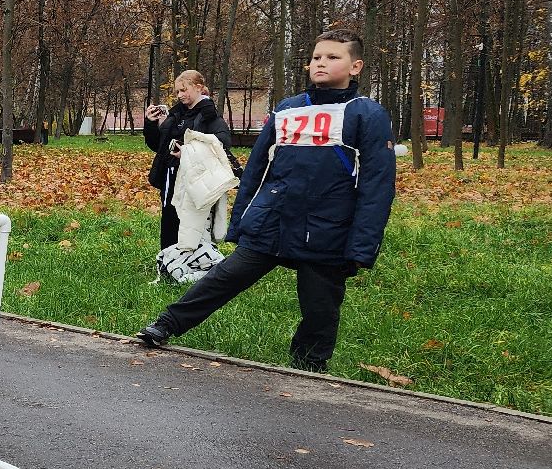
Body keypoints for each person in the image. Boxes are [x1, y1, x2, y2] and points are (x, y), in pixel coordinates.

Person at [138, 31, 394, 373]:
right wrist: (242, 221)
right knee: (223, 278)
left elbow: (378, 186)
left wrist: (362, 247)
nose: (321, 62)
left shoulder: (367, 115)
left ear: (356, 66)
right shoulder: (288, 109)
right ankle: (167, 324)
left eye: (333, 57)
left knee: (320, 305)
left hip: (327, 230)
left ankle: (309, 365)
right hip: (271, 221)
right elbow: (257, 167)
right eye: (317, 56)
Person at [144, 70, 236, 251]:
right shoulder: (176, 114)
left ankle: (194, 260)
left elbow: (221, 144)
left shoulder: (210, 116)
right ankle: (169, 260)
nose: (180, 95)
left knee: (192, 220)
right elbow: (158, 146)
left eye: (184, 90)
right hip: (170, 175)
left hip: (194, 178)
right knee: (170, 218)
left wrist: (186, 153)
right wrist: (151, 123)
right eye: (177, 91)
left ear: (198, 88)